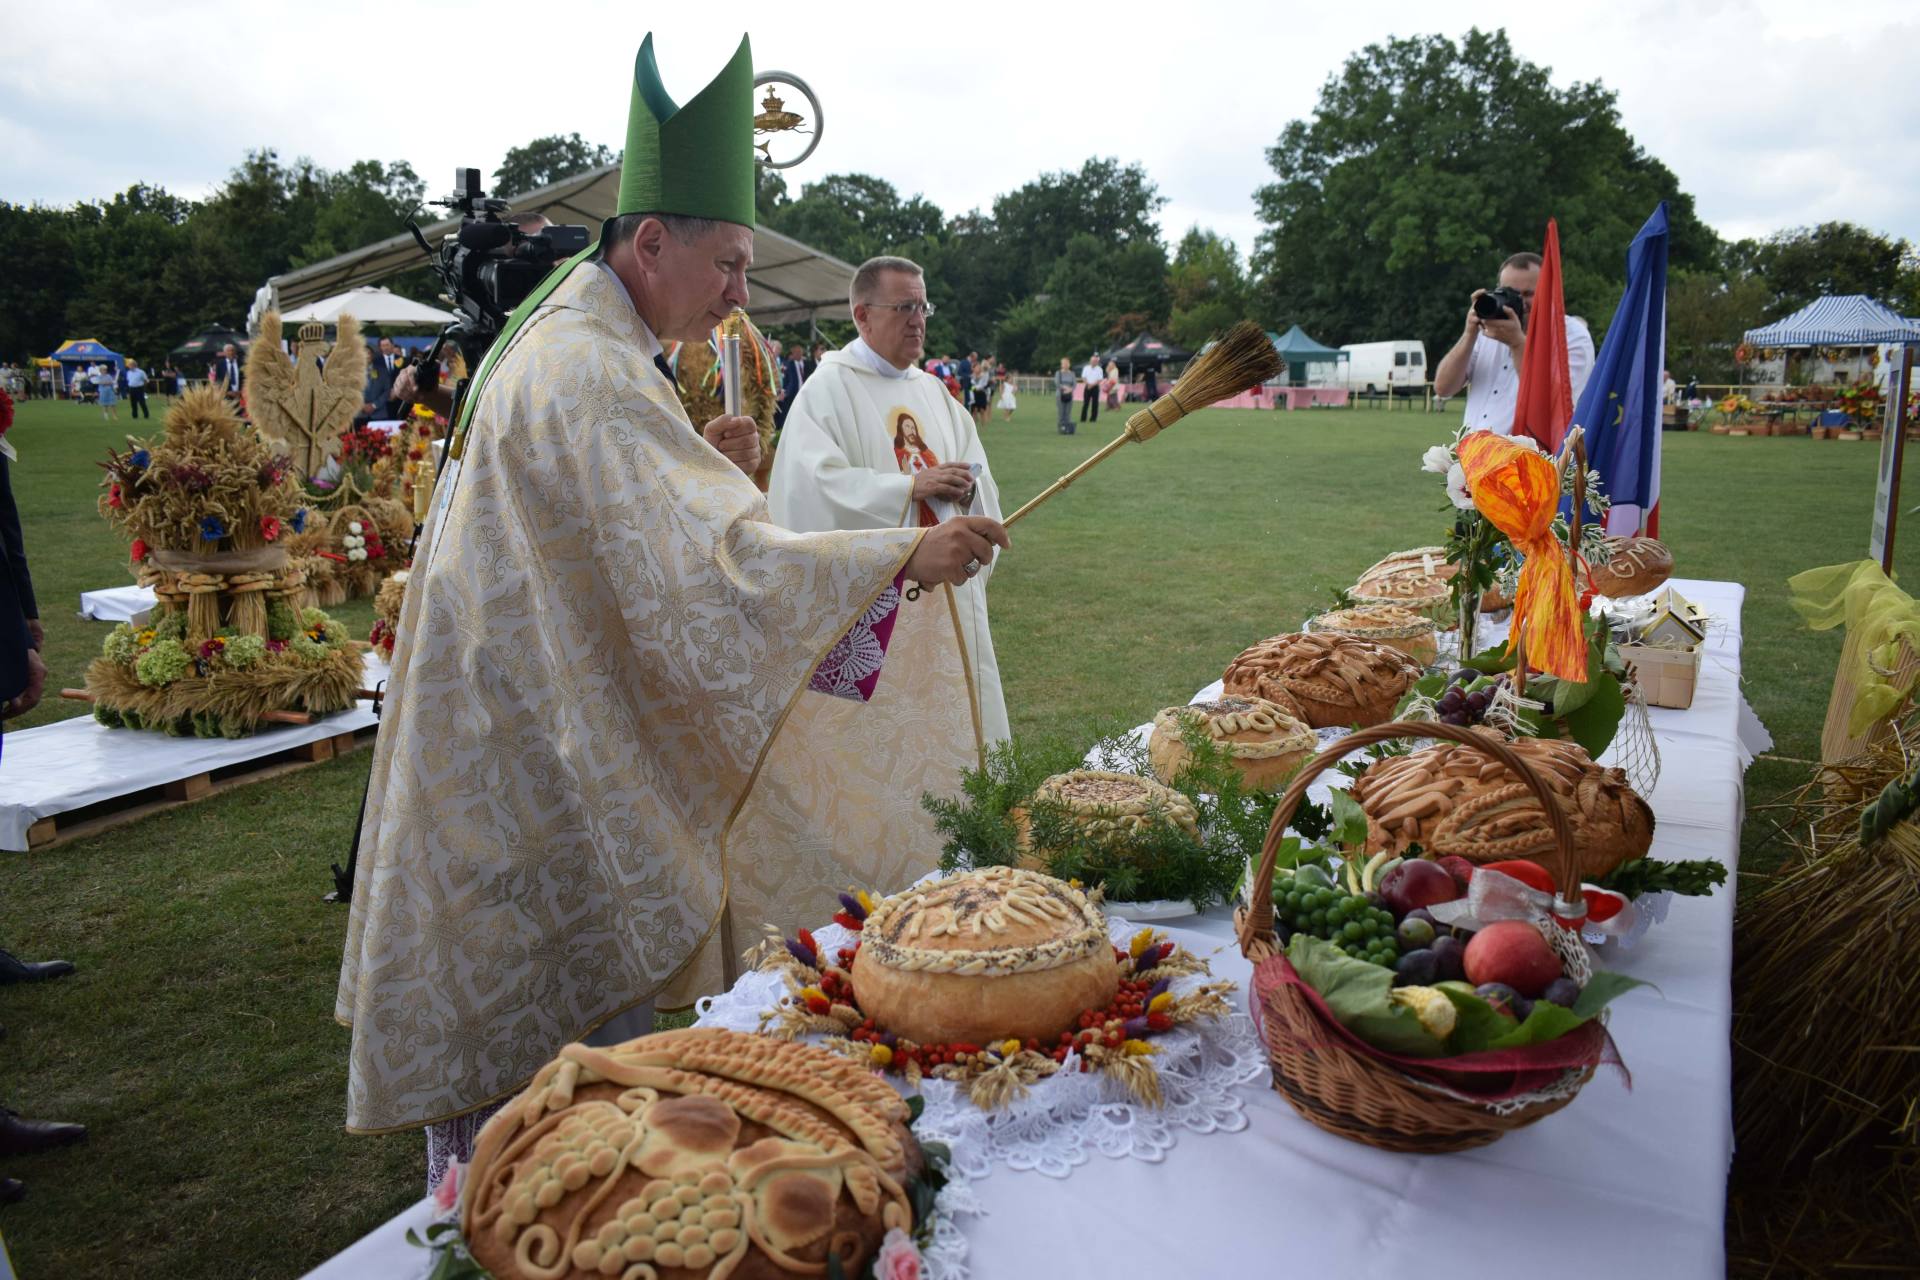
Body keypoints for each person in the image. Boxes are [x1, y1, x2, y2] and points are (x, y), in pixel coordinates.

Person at [336, 33, 1005, 1189]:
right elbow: (724, 573)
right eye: (732, 264)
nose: (745, 292)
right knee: (542, 1159)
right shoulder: (591, 365)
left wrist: (689, 456)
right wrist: (905, 553)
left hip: (515, 729)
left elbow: (614, 535)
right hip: (526, 762)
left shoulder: (584, 338)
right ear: (651, 240)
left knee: (566, 1131)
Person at [770, 253, 1011, 744]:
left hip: (946, 601)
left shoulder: (937, 394)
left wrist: (967, 497)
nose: (918, 321)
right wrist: (908, 488)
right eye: (904, 308)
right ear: (862, 315)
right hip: (874, 607)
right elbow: (812, 490)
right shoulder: (827, 390)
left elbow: (977, 477)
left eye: (924, 308)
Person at [1431, 251, 1594, 437]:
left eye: (1528, 294)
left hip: (1529, 461)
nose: (1519, 302)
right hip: (1473, 458)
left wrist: (1517, 343)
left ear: (1550, 291)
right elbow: (1443, 388)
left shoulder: (1572, 336)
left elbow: (1554, 406)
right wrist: (1469, 333)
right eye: (1509, 293)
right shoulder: (1487, 329)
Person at [363, 336, 403, 420]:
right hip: (372, 409)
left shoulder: (402, 360)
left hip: (397, 401)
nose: (385, 348)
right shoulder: (376, 360)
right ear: (380, 347)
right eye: (383, 345)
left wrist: (396, 391)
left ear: (392, 345)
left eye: (387, 345)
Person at [1080, 352, 1103, 423]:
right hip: (1087, 387)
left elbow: (1100, 379)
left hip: (1095, 388)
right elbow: (1083, 377)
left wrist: (1092, 385)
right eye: (1093, 361)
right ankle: (1083, 418)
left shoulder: (1099, 369)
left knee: (1095, 404)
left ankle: (1093, 419)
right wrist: (1088, 384)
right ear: (1090, 361)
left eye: (1096, 361)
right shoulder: (1086, 368)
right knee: (1085, 403)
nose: (1094, 362)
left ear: (1097, 362)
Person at [970, 351, 992, 426]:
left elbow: (987, 369)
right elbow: (971, 386)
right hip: (975, 393)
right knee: (974, 410)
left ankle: (984, 425)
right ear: (973, 368)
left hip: (981, 393)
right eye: (976, 367)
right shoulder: (973, 376)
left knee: (983, 409)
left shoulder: (983, 374)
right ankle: (973, 424)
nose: (978, 368)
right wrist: (974, 389)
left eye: (979, 367)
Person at [1056, 356, 1077, 433]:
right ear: (1061, 364)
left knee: (1068, 412)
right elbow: (1057, 383)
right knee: (1061, 412)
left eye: (1066, 363)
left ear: (1069, 364)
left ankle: (1067, 428)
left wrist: (1070, 389)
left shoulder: (1072, 373)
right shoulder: (1058, 373)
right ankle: (1061, 428)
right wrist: (1064, 388)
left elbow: (1074, 384)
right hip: (1060, 395)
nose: (1065, 365)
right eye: (1063, 363)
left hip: (1069, 395)